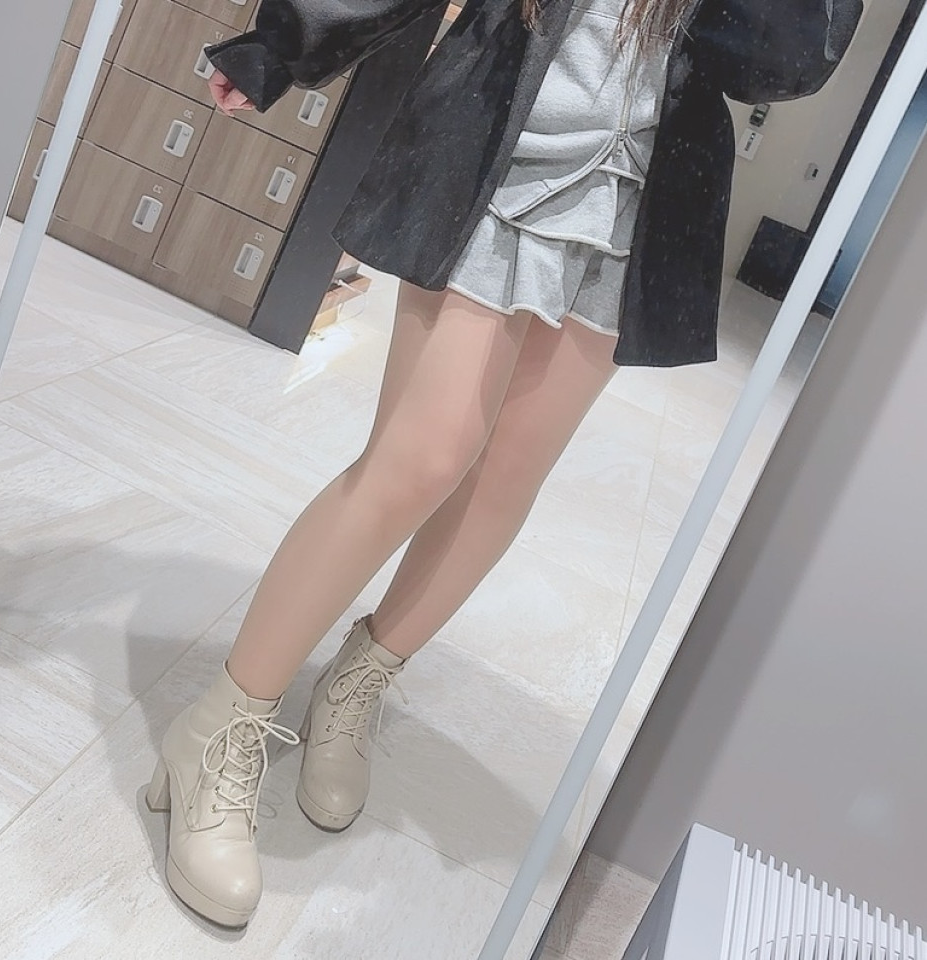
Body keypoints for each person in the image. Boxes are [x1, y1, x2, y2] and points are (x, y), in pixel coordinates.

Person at [143, 0, 861, 928]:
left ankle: (357, 682)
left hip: (636, 199)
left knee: (501, 484)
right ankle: (219, 728)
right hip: (494, 152)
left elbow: (781, 65)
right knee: (422, 458)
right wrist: (284, 42)